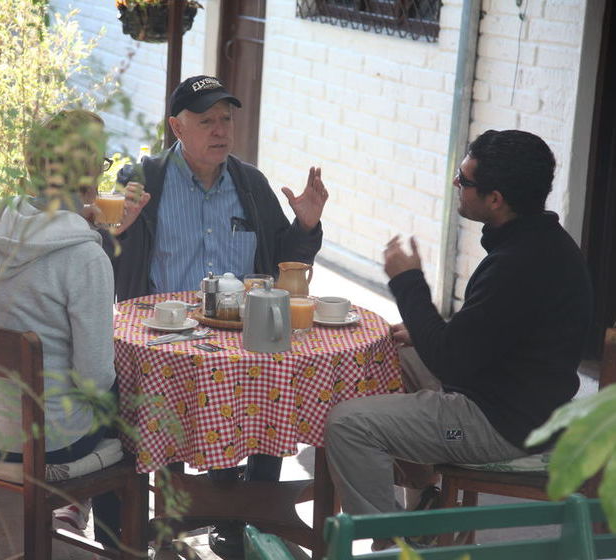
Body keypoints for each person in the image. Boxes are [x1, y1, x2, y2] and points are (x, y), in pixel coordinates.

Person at [324, 129, 593, 551]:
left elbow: (452, 361)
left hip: (501, 424)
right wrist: (429, 331)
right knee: (396, 357)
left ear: (496, 199)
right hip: (521, 400)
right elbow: (488, 335)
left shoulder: (516, 263)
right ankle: (424, 505)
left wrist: (408, 282)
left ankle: (394, 547)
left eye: (464, 181)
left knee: (349, 424)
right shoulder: (544, 244)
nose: (456, 185)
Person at [113, 75, 328, 557]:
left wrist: (306, 224)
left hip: (242, 330)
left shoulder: (250, 183)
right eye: (205, 120)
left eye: (226, 119)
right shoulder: (144, 180)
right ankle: (173, 513)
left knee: (270, 372)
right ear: (176, 126)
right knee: (174, 416)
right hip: (167, 332)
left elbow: (284, 262)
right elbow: (109, 256)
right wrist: (109, 236)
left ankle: (251, 516)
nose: (220, 130)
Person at [0, 109, 120, 545]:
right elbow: (94, 377)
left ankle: (77, 519)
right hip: (43, 443)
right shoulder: (85, 257)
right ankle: (117, 541)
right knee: (124, 399)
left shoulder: (0, 225)